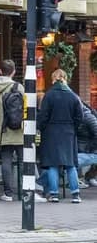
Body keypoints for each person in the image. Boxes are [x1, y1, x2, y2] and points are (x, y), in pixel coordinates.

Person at [38, 69, 83, 203]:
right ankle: (75, 194)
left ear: (53, 79)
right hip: (68, 133)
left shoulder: (49, 95)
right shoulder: (74, 96)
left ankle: (54, 194)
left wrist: (43, 128)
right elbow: (80, 117)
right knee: (70, 164)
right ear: (65, 78)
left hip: (52, 133)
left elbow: (43, 116)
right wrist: (73, 128)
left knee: (53, 164)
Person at [0, 59, 24, 201]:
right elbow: (24, 110)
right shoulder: (18, 87)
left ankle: (8, 193)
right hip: (18, 130)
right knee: (23, 161)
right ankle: (26, 191)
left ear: (0, 71)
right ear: (13, 72)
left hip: (1, 132)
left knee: (6, 161)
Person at [74, 98, 97, 190]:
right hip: (81, 147)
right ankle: (84, 178)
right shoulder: (78, 117)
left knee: (74, 161)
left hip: (86, 148)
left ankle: (88, 177)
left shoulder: (88, 117)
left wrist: (90, 148)